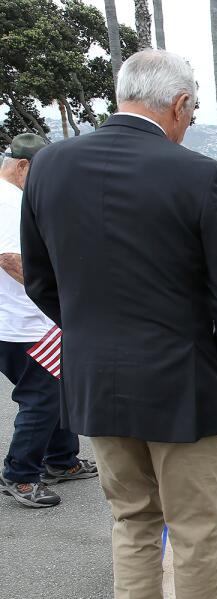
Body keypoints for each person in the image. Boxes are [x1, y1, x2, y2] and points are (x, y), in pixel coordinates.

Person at [20, 50, 217, 599]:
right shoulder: (197, 175)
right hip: (184, 381)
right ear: (179, 105)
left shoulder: (48, 166)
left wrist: (93, 339)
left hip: (98, 382)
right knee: (194, 530)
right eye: (191, 112)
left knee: (132, 524)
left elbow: (44, 280)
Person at [0, 133, 97, 509]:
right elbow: (11, 258)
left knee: (59, 388)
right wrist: (57, 293)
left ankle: (62, 460)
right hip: (23, 322)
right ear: (23, 167)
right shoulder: (10, 201)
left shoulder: (12, 197)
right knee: (42, 397)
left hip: (24, 320)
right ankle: (20, 474)